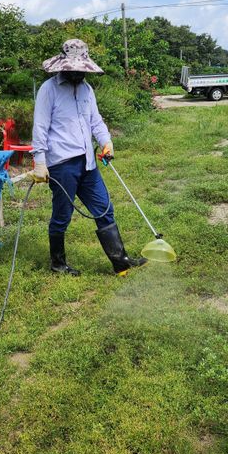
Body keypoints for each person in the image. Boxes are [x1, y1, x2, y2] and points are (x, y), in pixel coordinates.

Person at [32, 38, 147, 276]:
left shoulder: (86, 89)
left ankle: (121, 262)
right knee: (62, 215)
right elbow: (40, 127)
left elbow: (95, 121)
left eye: (81, 69)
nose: (78, 74)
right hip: (62, 164)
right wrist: (40, 163)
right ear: (64, 66)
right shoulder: (49, 89)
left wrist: (106, 142)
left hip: (88, 161)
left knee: (104, 208)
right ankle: (58, 264)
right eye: (73, 69)